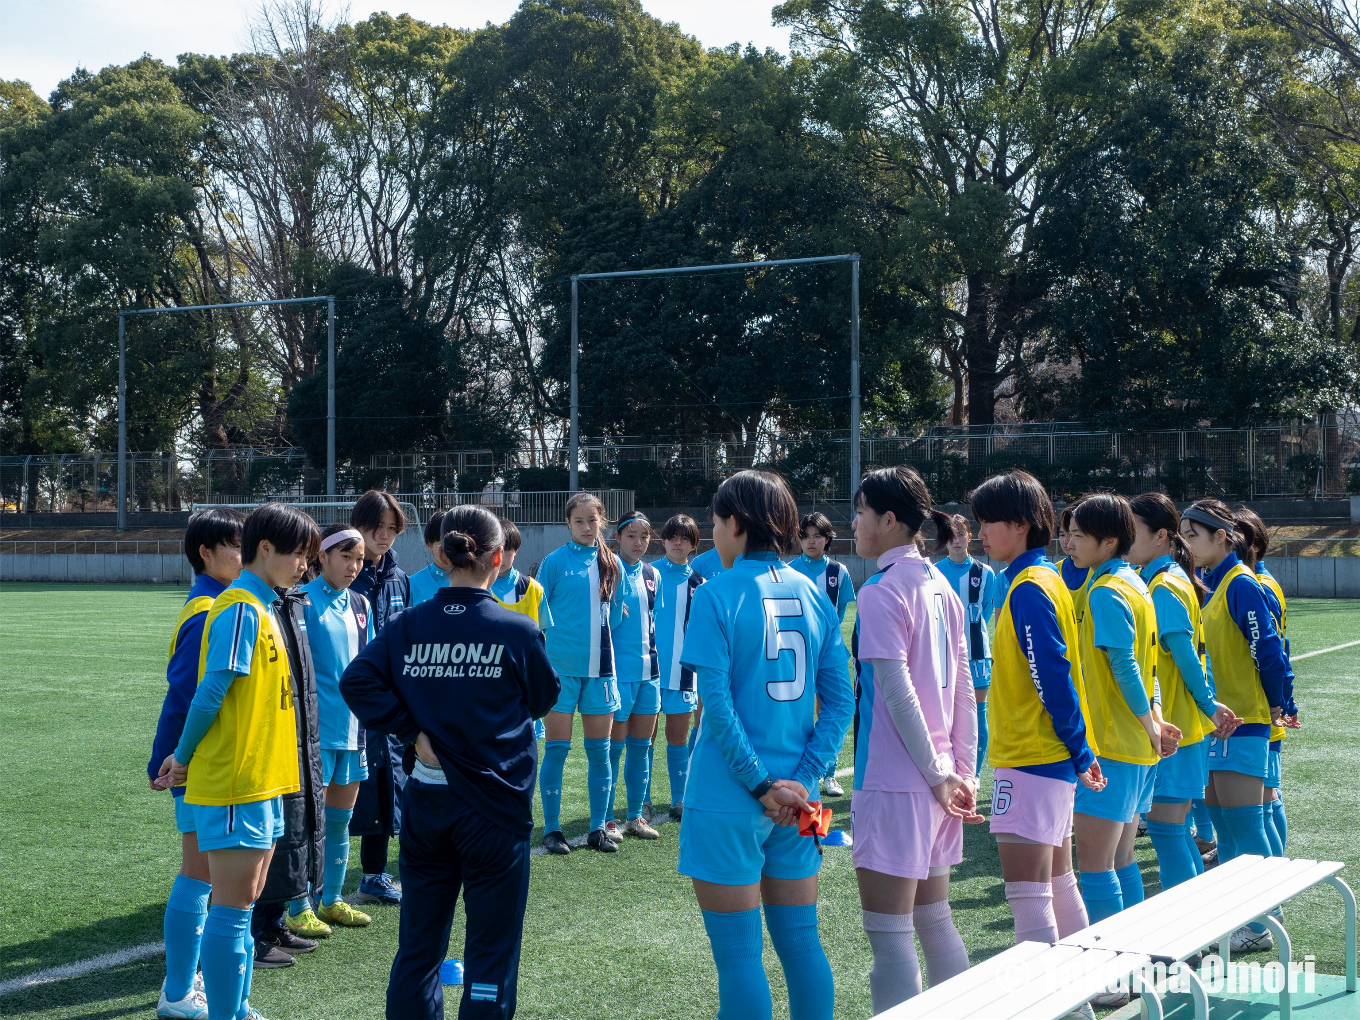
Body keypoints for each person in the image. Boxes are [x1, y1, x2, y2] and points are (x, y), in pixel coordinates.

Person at [340, 506, 560, 1020]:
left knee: (419, 945)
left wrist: (413, 730)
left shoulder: (410, 624)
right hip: (494, 807)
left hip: (428, 802)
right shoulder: (517, 629)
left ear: (440, 556)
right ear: (499, 560)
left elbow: (358, 681)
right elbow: (542, 699)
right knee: (491, 952)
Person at [677, 470, 853, 1020]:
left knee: (737, 957)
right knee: (802, 942)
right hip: (804, 802)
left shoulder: (715, 594)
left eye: (714, 523)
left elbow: (718, 708)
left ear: (734, 522)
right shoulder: (814, 593)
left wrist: (760, 784)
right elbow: (842, 702)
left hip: (730, 795)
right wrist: (802, 780)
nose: (713, 535)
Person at [155, 503, 319, 1020]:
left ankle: (230, 1005)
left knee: (238, 906)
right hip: (234, 782)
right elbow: (205, 694)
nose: (305, 566)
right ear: (265, 550)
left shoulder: (262, 605)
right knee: (229, 907)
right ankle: (198, 1001)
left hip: (262, 779)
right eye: (299, 554)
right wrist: (180, 758)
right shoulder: (239, 608)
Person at [849, 467, 980, 1013]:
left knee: (891, 933)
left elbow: (897, 693)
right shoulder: (940, 583)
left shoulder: (880, 590)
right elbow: (965, 689)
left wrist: (937, 772)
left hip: (897, 780)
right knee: (933, 918)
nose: (851, 523)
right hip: (942, 779)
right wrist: (963, 770)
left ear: (887, 520)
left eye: (858, 512)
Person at [968, 471, 1104, 953]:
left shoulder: (1029, 587)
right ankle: (1090, 994)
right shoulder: (1043, 578)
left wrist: (1079, 747)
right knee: (1059, 881)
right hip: (1045, 756)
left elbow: (1053, 676)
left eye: (988, 522)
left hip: (1030, 755)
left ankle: (1058, 1002)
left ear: (1022, 523)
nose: (978, 532)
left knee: (1029, 896)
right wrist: (1077, 749)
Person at [1180, 498, 1295, 953]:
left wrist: (1278, 703)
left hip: (1243, 721)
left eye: (1193, 535)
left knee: (1245, 826)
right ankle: (1244, 917)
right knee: (1226, 828)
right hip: (1219, 723)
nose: (1186, 544)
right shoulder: (1212, 581)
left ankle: (1266, 924)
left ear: (1221, 538)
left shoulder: (1240, 583)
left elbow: (1268, 649)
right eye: (1183, 536)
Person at [148, 507, 245, 1019]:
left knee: (204, 873)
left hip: (200, 758)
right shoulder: (209, 609)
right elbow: (185, 693)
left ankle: (182, 987)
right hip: (198, 761)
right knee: (201, 872)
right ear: (205, 553)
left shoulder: (214, 602)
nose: (243, 554)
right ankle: (179, 992)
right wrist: (172, 758)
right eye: (234, 545)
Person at [1065, 492, 1174, 926]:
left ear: (1108, 541)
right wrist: (1157, 718)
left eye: (1077, 536)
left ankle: (1112, 977)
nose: (1069, 544)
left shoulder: (1106, 591)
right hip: (1137, 746)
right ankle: (1136, 956)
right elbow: (1151, 668)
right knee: (1123, 859)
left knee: (1095, 867)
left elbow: (1127, 667)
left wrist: (1151, 723)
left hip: (1112, 744)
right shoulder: (1136, 583)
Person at [1127, 494, 1242, 896]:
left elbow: (1186, 658)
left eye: (1133, 530)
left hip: (1177, 730)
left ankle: (1192, 931)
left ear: (1161, 536)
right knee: (1172, 829)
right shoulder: (1167, 577)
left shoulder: (1163, 584)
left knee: (1167, 829)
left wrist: (1210, 707)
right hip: (1182, 728)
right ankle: (1201, 923)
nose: (1125, 538)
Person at [283, 524, 377, 939]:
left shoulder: (361, 603)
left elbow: (368, 663)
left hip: (353, 730)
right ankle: (297, 904)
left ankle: (332, 899)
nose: (355, 566)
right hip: (314, 735)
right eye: (346, 557)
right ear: (322, 557)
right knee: (306, 823)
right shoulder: (301, 601)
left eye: (359, 559)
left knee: (341, 820)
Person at [536, 492, 624, 854]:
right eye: (579, 521)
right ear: (568, 523)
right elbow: (538, 616)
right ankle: (553, 829)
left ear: (602, 521)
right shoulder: (554, 562)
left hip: (601, 671)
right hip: (561, 673)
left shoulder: (612, 563)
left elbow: (614, 617)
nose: (587, 527)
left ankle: (597, 829)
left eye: (592, 520)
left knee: (600, 753)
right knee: (557, 750)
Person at [349, 490, 411, 905]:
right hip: (347, 696)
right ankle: (314, 884)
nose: (385, 536)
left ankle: (373, 874)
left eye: (392, 529)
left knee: (388, 783)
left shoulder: (399, 577)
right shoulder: (343, 574)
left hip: (390, 697)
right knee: (344, 787)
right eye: (378, 528)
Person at [1233, 507, 1300, 858]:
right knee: (1263, 797)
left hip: (1260, 706)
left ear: (1255, 545)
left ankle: (1274, 876)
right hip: (1259, 703)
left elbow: (1275, 649)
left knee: (1266, 795)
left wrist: (1283, 701)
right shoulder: (1254, 581)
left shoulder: (1256, 584)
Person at [787, 512, 857, 799]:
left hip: (830, 654)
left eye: (817, 535)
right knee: (799, 711)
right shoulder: (788, 570)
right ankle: (797, 768)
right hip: (795, 654)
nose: (811, 541)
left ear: (828, 539)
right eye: (805, 535)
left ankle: (828, 774)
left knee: (832, 710)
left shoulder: (838, 572)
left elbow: (839, 613)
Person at [606, 511, 663, 840]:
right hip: (619, 674)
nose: (638, 542)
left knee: (641, 748)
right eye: (631, 536)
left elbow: (652, 624)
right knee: (614, 749)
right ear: (618, 538)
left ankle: (635, 816)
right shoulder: (608, 571)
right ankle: (608, 818)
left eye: (644, 536)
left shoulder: (653, 574)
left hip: (649, 673)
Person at [933, 514, 1001, 776]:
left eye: (961, 534)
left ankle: (973, 773)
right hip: (941, 653)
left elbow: (984, 614)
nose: (956, 540)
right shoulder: (934, 571)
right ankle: (946, 768)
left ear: (969, 538)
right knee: (944, 713)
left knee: (977, 714)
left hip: (977, 652)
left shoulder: (985, 573)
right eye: (951, 535)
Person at [651, 513, 704, 821]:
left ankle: (679, 799)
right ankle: (640, 801)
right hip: (647, 672)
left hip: (684, 675)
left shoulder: (700, 584)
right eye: (673, 537)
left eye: (684, 538)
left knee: (677, 740)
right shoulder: (648, 574)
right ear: (664, 541)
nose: (678, 542)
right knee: (644, 740)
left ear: (693, 544)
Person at [490, 516, 552, 740]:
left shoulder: (534, 589)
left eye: (508, 549)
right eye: (495, 548)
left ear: (516, 549)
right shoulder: (478, 586)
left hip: (525, 680)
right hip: (490, 678)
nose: (501, 556)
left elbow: (544, 634)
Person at [1056, 503, 1092, 624]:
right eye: (1062, 535)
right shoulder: (1054, 572)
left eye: (1074, 535)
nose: (1067, 541)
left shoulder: (1100, 572)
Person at [409, 509, 450, 607]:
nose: (450, 548)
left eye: (454, 542)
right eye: (443, 542)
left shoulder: (474, 582)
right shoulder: (412, 585)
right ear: (429, 545)